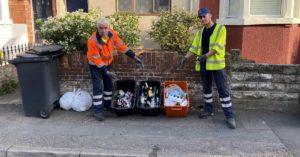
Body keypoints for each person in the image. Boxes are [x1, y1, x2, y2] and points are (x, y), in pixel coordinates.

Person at [179, 8, 236, 129]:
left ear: (210, 15)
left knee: (223, 90)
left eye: (204, 16)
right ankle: (208, 110)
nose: (202, 19)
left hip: (217, 65)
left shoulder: (220, 29)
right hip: (204, 65)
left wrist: (205, 56)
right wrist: (185, 57)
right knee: (206, 89)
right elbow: (193, 48)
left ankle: (230, 116)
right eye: (200, 17)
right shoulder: (200, 32)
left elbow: (217, 48)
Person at [87, 17, 143, 121]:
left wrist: (134, 57)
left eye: (105, 28)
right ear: (97, 28)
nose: (103, 31)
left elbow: (122, 46)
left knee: (109, 85)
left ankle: (107, 107)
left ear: (109, 27)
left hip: (108, 63)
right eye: (101, 28)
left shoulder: (112, 34)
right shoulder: (92, 41)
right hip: (95, 65)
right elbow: (97, 60)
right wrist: (106, 71)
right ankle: (98, 111)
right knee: (98, 87)